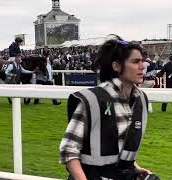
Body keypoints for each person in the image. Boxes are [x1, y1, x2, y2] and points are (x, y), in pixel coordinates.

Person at [59, 37, 159, 180]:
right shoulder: (93, 99)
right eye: (136, 62)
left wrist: (134, 168)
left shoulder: (141, 99)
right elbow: (68, 150)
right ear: (116, 66)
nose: (142, 66)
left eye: (142, 61)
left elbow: (118, 145)